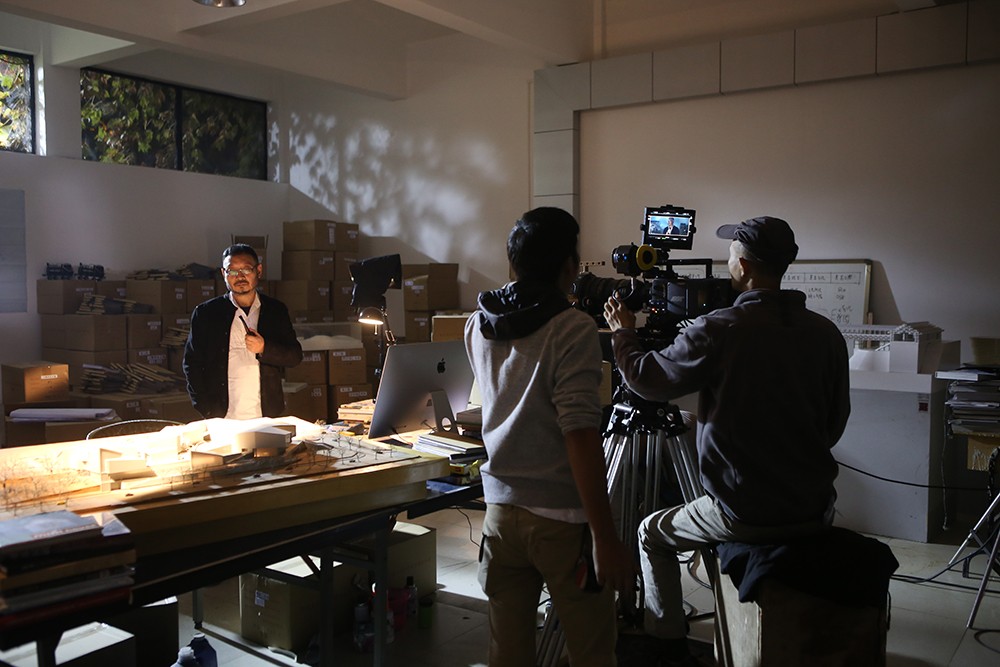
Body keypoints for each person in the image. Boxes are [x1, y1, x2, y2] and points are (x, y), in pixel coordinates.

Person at [603, 216, 850, 667]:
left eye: (732, 251)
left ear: (745, 265)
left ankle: (666, 644)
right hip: (815, 505)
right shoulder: (825, 333)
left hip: (745, 511)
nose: (728, 259)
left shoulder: (721, 327)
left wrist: (624, 332)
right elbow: (835, 424)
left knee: (651, 533)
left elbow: (647, 379)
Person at [465, 207, 634, 667]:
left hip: (500, 515)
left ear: (512, 262)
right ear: (569, 266)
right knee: (591, 652)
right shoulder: (571, 328)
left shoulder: (477, 324)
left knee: (507, 652)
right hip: (562, 521)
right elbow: (579, 435)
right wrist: (604, 536)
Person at [184, 243, 303, 419]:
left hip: (266, 415)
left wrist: (264, 348)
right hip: (222, 417)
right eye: (232, 271)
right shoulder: (206, 313)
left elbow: (294, 356)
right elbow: (191, 364)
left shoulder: (275, 310)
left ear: (258, 271)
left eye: (246, 269)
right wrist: (206, 408)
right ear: (223, 274)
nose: (239, 276)